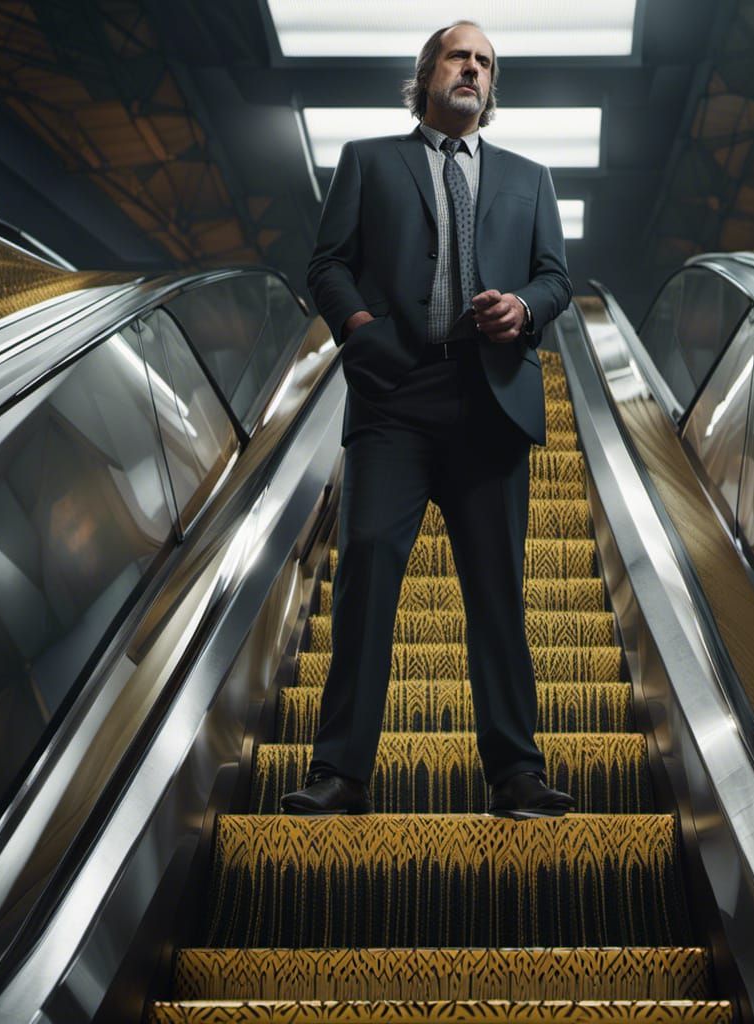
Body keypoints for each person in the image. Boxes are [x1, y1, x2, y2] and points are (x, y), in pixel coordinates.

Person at [280, 20, 574, 818]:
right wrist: (359, 329)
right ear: (427, 72)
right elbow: (326, 263)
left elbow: (556, 276)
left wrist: (524, 306)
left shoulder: (528, 176)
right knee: (369, 562)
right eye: (458, 55)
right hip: (394, 398)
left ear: (491, 85)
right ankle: (341, 773)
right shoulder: (370, 160)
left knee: (497, 588)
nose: (472, 69)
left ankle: (516, 772)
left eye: (484, 61)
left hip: (491, 404)